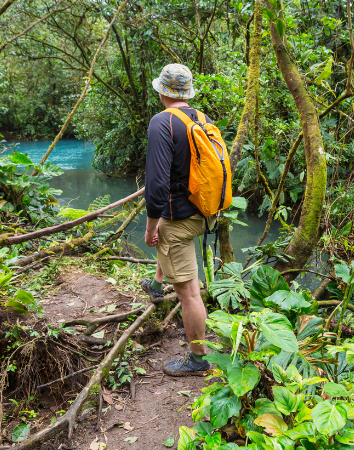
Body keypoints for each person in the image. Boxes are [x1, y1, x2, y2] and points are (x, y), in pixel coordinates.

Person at [140, 63, 213, 377]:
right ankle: (157, 286)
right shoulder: (201, 118)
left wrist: (150, 226)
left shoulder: (162, 122)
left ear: (162, 91)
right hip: (204, 213)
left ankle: (198, 359)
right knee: (168, 237)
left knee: (190, 293)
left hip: (179, 220)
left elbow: (156, 186)